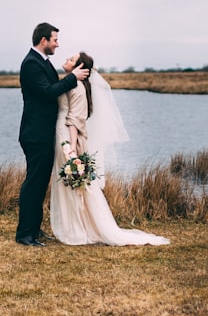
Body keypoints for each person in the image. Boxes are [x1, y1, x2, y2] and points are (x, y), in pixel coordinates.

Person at [49, 51, 170, 246]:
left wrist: (71, 149)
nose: (66, 60)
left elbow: (75, 120)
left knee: (73, 183)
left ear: (80, 67)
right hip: (61, 133)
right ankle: (72, 225)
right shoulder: (72, 82)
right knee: (67, 182)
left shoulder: (78, 86)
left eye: (71, 59)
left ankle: (78, 228)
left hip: (66, 137)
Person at [16, 22, 89, 246]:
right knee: (33, 184)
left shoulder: (43, 62)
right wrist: (72, 77)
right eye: (55, 40)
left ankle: (34, 229)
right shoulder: (31, 64)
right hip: (35, 134)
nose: (58, 44)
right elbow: (47, 93)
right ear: (43, 40)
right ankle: (25, 235)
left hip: (44, 134)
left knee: (39, 184)